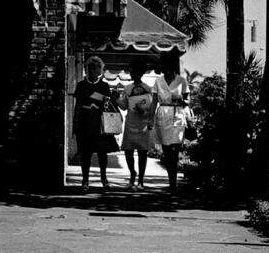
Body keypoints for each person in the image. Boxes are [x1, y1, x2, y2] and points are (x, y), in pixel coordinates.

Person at [72, 56, 118, 192]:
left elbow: (107, 104)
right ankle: (85, 180)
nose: (92, 71)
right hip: (85, 122)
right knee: (85, 153)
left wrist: (103, 102)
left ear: (100, 70)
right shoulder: (81, 85)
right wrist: (75, 123)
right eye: (89, 68)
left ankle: (104, 178)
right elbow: (78, 106)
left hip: (100, 123)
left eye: (95, 68)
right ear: (86, 69)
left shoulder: (104, 86)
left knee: (102, 152)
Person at [116, 60, 156, 190]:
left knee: (142, 152)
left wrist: (144, 111)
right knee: (128, 151)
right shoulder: (127, 88)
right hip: (130, 122)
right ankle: (132, 174)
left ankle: (141, 181)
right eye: (132, 71)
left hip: (143, 123)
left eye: (136, 71)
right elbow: (123, 106)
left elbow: (151, 107)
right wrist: (116, 99)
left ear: (141, 73)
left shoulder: (148, 88)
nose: (133, 74)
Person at [154, 51, 189, 191]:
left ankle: (173, 183)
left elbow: (187, 100)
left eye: (170, 68)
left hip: (177, 115)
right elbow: (153, 103)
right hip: (163, 114)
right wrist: (150, 120)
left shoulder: (182, 81)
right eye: (165, 68)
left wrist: (181, 100)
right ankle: (171, 180)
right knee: (167, 150)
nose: (167, 71)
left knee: (175, 149)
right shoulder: (158, 81)